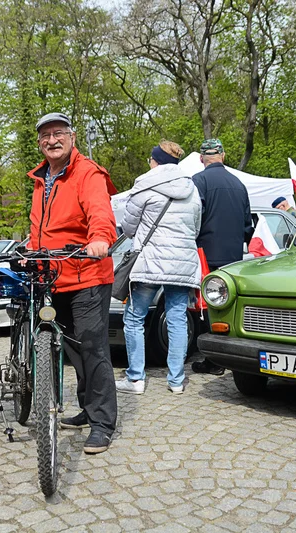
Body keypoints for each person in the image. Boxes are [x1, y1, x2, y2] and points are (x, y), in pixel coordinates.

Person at [28, 112, 118, 454]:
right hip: (54, 275)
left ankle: (103, 422)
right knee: (73, 348)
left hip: (87, 272)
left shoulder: (87, 172)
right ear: (40, 143)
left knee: (93, 347)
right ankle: (87, 407)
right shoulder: (41, 178)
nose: (52, 140)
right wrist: (30, 250)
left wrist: (99, 240)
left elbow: (100, 212)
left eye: (58, 133)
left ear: (72, 137)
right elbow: (40, 226)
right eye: (46, 135)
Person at [116, 141, 202, 395]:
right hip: (182, 261)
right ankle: (176, 381)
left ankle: (136, 379)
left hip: (151, 260)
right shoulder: (192, 188)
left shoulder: (144, 186)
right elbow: (195, 228)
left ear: (155, 161)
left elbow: (129, 228)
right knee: (177, 319)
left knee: (134, 318)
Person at [190, 139, 253, 376]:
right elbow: (248, 224)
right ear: (223, 156)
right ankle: (230, 356)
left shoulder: (199, 181)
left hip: (207, 252)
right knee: (230, 306)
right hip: (234, 255)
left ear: (201, 158)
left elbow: (195, 217)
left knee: (209, 307)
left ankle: (214, 360)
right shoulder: (239, 184)